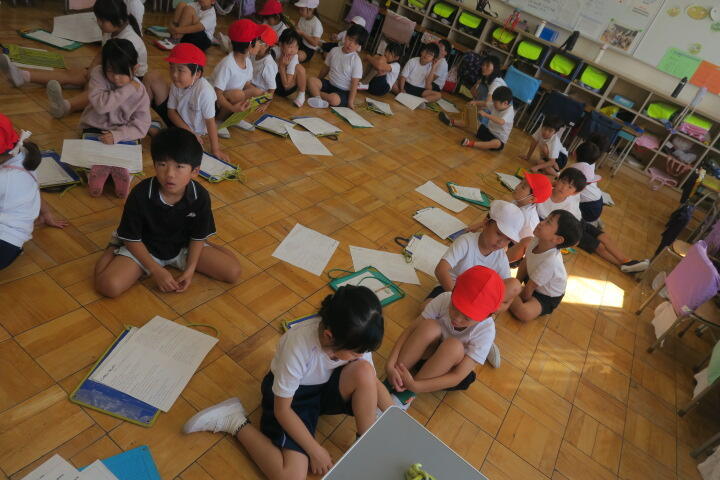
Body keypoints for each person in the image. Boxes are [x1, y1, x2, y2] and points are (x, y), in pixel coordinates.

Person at [182, 285, 392, 479]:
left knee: (365, 372)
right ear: (329, 336)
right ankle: (234, 420)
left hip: (324, 387)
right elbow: (282, 411)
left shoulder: (353, 339)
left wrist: (396, 418)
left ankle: (366, 443)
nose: (361, 355)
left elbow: (371, 380)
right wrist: (314, 450)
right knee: (291, 476)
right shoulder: (298, 345)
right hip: (293, 400)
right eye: (356, 353)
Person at [94, 128, 241, 298]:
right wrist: (156, 270)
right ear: (154, 165)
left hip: (183, 248)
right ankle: (115, 244)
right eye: (162, 164)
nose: (170, 174)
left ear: (194, 171)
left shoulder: (200, 196)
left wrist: (189, 270)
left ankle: (207, 242)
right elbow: (133, 240)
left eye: (179, 166)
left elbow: (196, 237)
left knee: (233, 272)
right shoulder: (140, 194)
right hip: (145, 248)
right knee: (108, 286)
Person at [1, 0, 146, 120]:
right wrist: (91, 69)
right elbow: (103, 53)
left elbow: (123, 73)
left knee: (95, 91)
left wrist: (95, 78)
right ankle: (23, 76)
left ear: (116, 19)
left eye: (102, 21)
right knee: (75, 74)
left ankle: (66, 106)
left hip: (127, 79)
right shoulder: (113, 29)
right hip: (113, 71)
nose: (99, 23)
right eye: (98, 19)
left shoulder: (129, 40)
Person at [385, 266, 505, 406]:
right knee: (429, 326)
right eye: (454, 307)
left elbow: (457, 376)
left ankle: (404, 396)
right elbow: (411, 330)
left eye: (467, 318)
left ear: (486, 317)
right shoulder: (444, 299)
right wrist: (390, 364)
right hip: (426, 354)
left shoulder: (486, 331)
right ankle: (394, 378)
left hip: (447, 374)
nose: (457, 319)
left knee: (453, 347)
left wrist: (416, 386)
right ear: (453, 291)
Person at [537, 166, 649, 273]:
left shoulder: (573, 197)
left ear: (575, 192)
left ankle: (626, 261)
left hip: (580, 222)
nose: (564, 187)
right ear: (558, 180)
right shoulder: (545, 194)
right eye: (563, 182)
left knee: (605, 237)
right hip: (572, 230)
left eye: (569, 187)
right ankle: (623, 265)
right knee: (599, 247)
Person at [77, 39, 151, 198]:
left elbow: (142, 126)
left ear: (135, 68)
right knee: (88, 158)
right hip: (95, 128)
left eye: (122, 72)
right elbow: (102, 106)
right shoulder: (98, 75)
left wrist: (118, 135)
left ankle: (122, 176)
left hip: (122, 133)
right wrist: (127, 88)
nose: (116, 77)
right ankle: (96, 176)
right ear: (103, 67)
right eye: (110, 71)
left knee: (128, 161)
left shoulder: (140, 92)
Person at [433, 200, 523, 317]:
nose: (501, 242)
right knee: (427, 310)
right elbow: (441, 269)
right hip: (451, 288)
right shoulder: (466, 241)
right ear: (485, 223)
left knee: (515, 284)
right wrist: (456, 299)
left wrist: (494, 308)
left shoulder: (500, 257)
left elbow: (508, 292)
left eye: (508, 239)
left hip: (475, 300)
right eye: (498, 233)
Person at [0, 116, 68, 270]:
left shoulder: (5, 178)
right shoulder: (23, 156)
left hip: (4, 243)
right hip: (13, 242)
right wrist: (46, 213)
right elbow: (34, 188)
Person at [143, 43, 229, 162]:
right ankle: (145, 122)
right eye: (172, 68)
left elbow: (210, 123)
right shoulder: (177, 83)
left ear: (197, 74)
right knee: (151, 76)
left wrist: (216, 150)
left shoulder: (205, 92)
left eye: (180, 70)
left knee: (175, 150)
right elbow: (171, 112)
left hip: (195, 132)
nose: (174, 74)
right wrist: (189, 131)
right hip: (179, 123)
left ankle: (157, 129)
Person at [509, 210, 582, 322]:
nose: (541, 222)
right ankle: (510, 292)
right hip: (533, 277)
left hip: (546, 296)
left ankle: (507, 293)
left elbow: (529, 290)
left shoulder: (551, 262)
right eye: (546, 219)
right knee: (512, 286)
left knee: (524, 313)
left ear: (558, 239)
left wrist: (514, 293)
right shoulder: (536, 240)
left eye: (548, 222)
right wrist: (517, 282)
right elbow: (525, 262)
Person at [212, 19, 262, 137]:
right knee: (238, 94)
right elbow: (217, 94)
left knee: (256, 91)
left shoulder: (247, 62)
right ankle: (218, 121)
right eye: (258, 41)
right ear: (250, 45)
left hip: (228, 101)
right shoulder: (227, 64)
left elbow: (246, 84)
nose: (260, 44)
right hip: (214, 104)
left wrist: (261, 94)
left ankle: (234, 119)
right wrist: (233, 108)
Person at [307, 24, 367, 109]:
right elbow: (325, 68)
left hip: (342, 92)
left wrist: (350, 102)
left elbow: (354, 85)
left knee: (334, 99)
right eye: (350, 39)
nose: (351, 44)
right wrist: (318, 81)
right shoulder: (334, 50)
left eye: (355, 43)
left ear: (359, 46)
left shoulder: (356, 61)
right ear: (345, 36)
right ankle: (319, 99)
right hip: (329, 84)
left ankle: (316, 95)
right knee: (311, 80)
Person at [440, 55, 505, 131]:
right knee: (481, 89)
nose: (484, 67)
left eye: (487, 65)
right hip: (492, 107)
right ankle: (459, 121)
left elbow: (488, 103)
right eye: (483, 65)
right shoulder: (486, 77)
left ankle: (481, 124)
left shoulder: (496, 83)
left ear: (495, 68)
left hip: (497, 114)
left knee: (477, 114)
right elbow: (473, 90)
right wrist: (474, 89)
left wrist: (475, 102)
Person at [506, 173, 553, 263]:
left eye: (523, 187)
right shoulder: (518, 202)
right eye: (520, 183)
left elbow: (525, 246)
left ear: (532, 199)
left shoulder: (527, 220)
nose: (517, 187)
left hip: (514, 251)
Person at [456, 86, 514, 151]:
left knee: (497, 143)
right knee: (475, 122)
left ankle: (470, 143)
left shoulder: (509, 112)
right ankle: (453, 122)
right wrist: (475, 102)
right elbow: (486, 104)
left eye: (495, 103)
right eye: (493, 102)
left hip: (498, 139)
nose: (494, 105)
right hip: (488, 131)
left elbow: (501, 121)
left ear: (505, 103)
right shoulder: (496, 105)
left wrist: (485, 115)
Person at [245, 25, 279, 113]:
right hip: (249, 85)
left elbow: (272, 88)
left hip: (259, 93)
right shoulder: (254, 54)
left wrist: (265, 104)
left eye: (257, 41)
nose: (254, 42)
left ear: (266, 45)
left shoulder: (267, 65)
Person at [573, 139, 605, 224]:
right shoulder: (590, 165)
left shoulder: (574, 169)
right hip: (598, 201)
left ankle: (586, 224)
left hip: (589, 207)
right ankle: (591, 221)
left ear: (574, 153)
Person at [274, 29, 308, 107]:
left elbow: (286, 85)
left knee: (300, 68)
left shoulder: (293, 57)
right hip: (272, 83)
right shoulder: (275, 50)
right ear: (281, 45)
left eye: (296, 47)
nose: (293, 50)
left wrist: (282, 67)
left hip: (284, 87)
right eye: (290, 47)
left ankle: (301, 95)